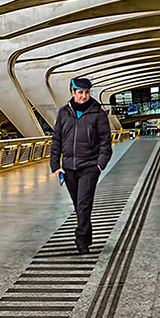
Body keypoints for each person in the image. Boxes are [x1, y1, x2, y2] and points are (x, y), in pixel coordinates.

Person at [51, 77, 112, 254]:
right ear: (73, 93)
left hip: (89, 167)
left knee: (84, 203)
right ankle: (87, 236)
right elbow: (57, 139)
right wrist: (55, 165)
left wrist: (99, 165)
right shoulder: (64, 113)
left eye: (86, 93)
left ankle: (81, 241)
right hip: (69, 167)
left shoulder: (98, 114)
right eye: (80, 93)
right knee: (79, 205)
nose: (84, 96)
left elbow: (105, 142)